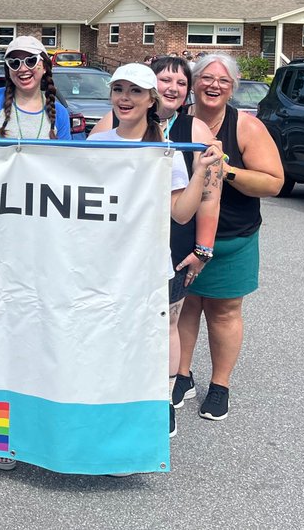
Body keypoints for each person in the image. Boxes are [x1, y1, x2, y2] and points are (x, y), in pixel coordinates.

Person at [88, 58, 224, 437]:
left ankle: (164, 401)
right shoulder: (96, 143)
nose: (125, 98)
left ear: (151, 99)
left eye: (134, 91)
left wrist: (198, 173)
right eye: (118, 90)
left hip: (149, 262)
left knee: (164, 329)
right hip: (104, 263)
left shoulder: (166, 150)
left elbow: (181, 214)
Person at [175, 54, 283, 422]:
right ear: (194, 82)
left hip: (232, 237)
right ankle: (181, 375)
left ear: (232, 87)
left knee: (223, 311)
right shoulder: (177, 118)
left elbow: (273, 182)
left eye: (222, 80)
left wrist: (227, 170)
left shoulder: (245, 127)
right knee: (184, 308)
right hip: (181, 236)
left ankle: (220, 385)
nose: (213, 85)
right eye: (206, 78)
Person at [0, 35, 71, 140]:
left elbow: (64, 155)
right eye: (14, 63)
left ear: (44, 67)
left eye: (31, 61)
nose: (22, 68)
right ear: (9, 70)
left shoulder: (60, 113)